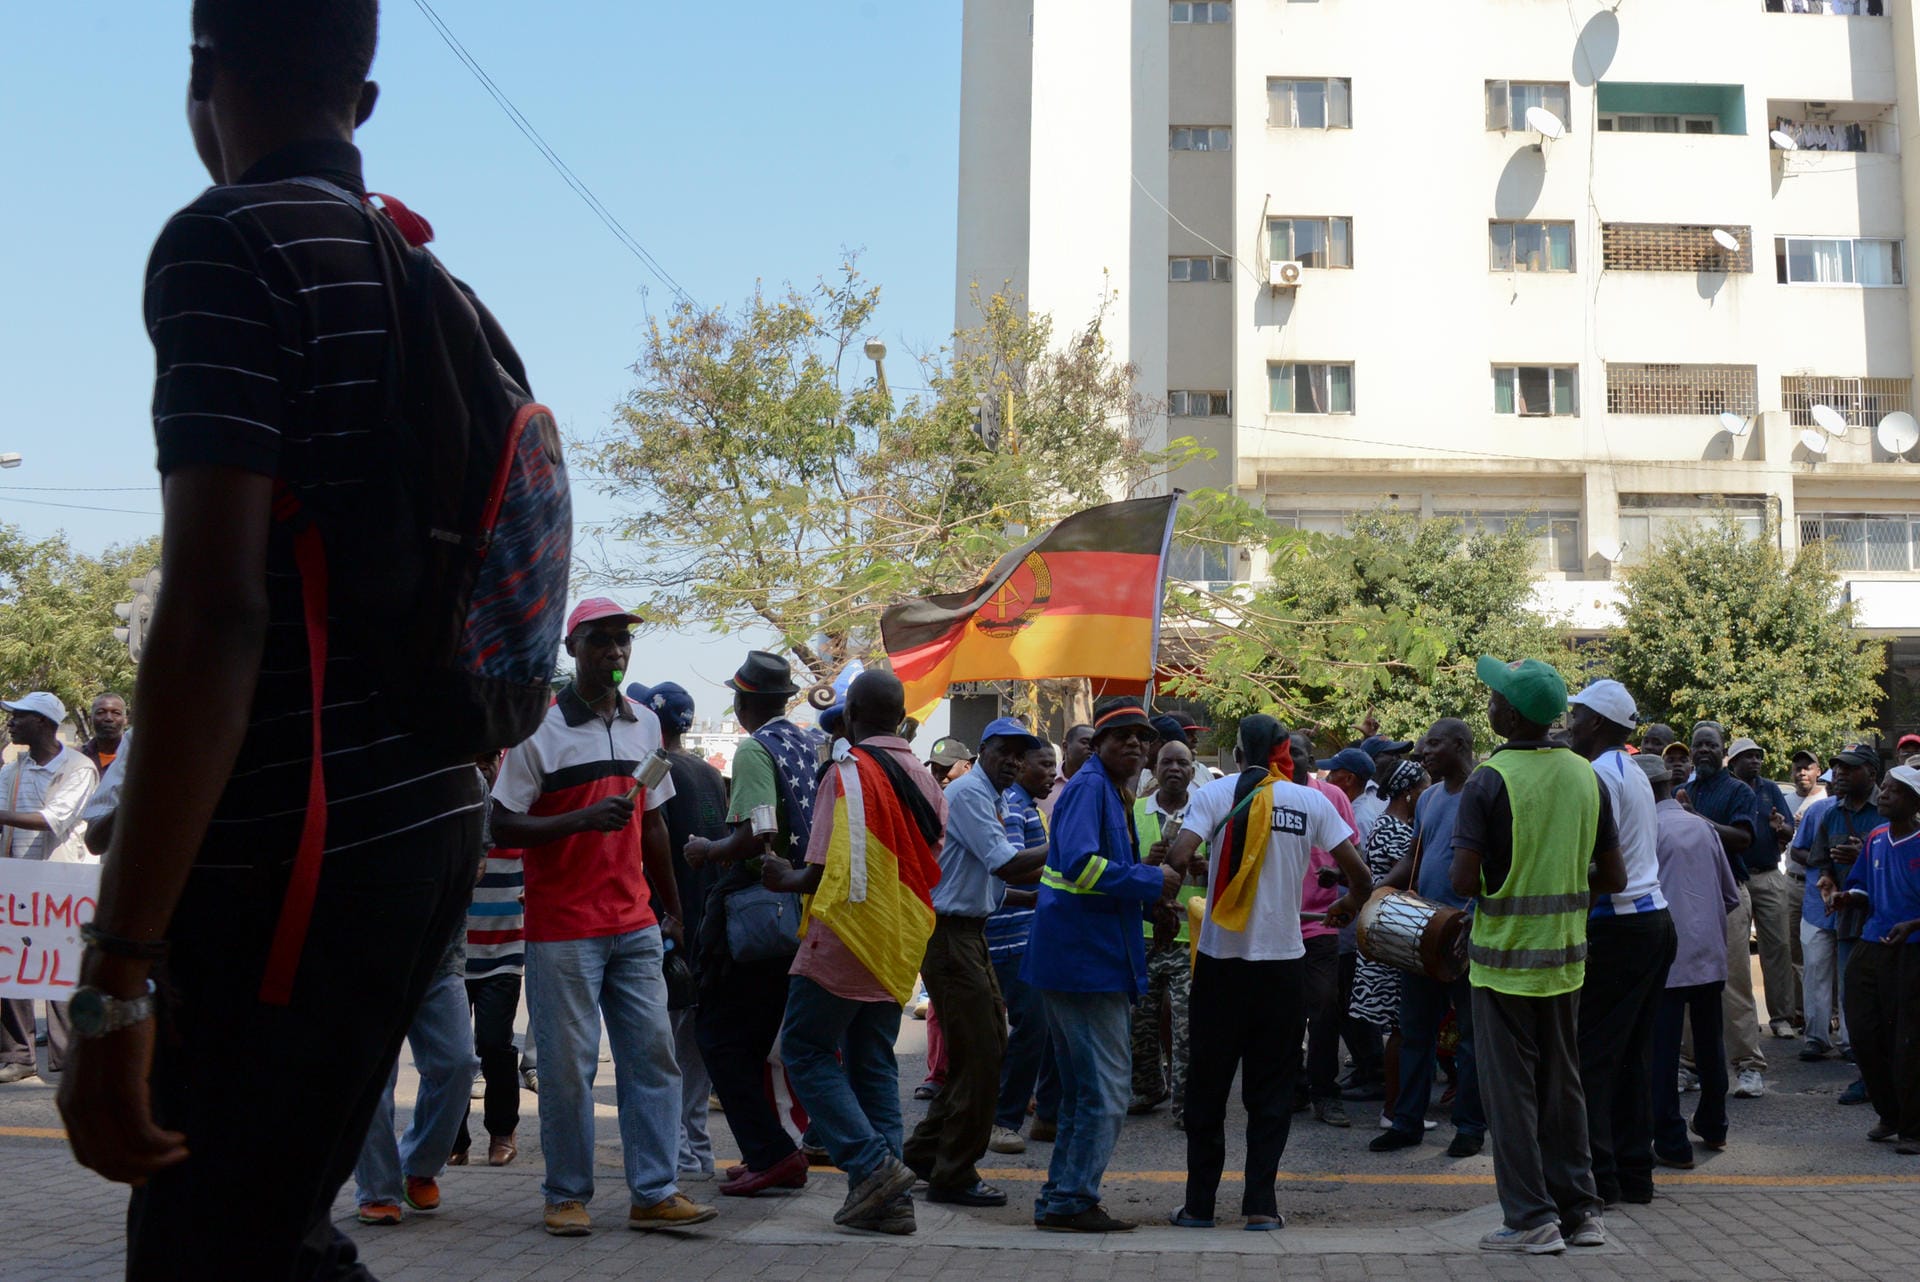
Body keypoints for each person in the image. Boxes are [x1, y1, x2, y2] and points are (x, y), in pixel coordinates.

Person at [58, 8, 519, 1275]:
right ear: (361, 102)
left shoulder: (230, 242)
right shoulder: (431, 278)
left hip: (298, 851)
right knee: (269, 1229)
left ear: (202, 77)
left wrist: (118, 977)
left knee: (211, 1240)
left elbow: (216, 607)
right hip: (426, 825)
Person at [493, 600, 711, 1236]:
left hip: (636, 923)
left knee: (653, 1060)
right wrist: (578, 820)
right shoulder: (540, 729)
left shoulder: (645, 722)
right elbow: (502, 820)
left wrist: (671, 910)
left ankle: (653, 1191)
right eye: (600, 641)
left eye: (622, 642)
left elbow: (654, 823)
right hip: (564, 929)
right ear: (573, 650)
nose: (615, 651)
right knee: (568, 1069)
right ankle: (565, 1194)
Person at [1163, 715, 1369, 1231]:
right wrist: (1343, 906)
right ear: (1282, 752)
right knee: (1271, 1090)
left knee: (1207, 1087)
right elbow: (1362, 879)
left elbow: (1180, 855)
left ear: (1235, 754)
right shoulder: (1311, 800)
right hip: (1283, 966)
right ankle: (1260, 1207)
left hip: (1219, 963)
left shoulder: (1215, 795)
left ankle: (1198, 1207)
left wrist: (1209, 870)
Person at [1452, 657, 1624, 1255]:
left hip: (1501, 965)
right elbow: (1615, 875)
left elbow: (1463, 880)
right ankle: (1582, 1213)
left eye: (1497, 697)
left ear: (1514, 714)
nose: (1490, 704)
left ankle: (1531, 1219)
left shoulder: (1488, 780)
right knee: (1563, 1089)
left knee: (1512, 1096)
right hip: (1566, 961)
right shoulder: (1587, 776)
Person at [773, 671, 949, 1234]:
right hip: (900, 937)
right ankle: (889, 1203)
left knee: (804, 1049)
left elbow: (824, 870)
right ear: (900, 719)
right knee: (872, 1060)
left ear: (850, 718)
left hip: (849, 931)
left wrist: (782, 874)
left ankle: (873, 1167)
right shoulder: (925, 776)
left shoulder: (848, 771)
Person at [1024, 698, 1181, 1232]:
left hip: (1083, 960)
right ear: (1099, 746)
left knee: (1084, 1094)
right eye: (1123, 736)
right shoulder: (1093, 789)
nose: (1135, 744)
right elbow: (1081, 867)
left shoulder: (1109, 790)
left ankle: (1062, 1196)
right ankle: (1070, 1200)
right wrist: (1149, 883)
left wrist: (1148, 892)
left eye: (1142, 736)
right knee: (1109, 1093)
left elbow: (1097, 871)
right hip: (1083, 964)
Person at [683, 651, 822, 1198]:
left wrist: (706, 849)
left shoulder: (753, 749)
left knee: (719, 1038)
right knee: (757, 1034)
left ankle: (772, 1154)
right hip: (801, 906)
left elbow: (754, 833)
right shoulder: (808, 744)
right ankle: (770, 1150)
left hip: (755, 906)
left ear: (742, 702)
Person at [902, 718, 1048, 1209]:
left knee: (981, 1052)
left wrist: (1042, 898)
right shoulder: (969, 793)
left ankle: (927, 1154)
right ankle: (954, 1173)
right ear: (984, 750)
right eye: (1005, 752)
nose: (1013, 761)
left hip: (968, 933)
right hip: (949, 937)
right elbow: (1004, 862)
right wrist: (1069, 844)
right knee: (982, 1054)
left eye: (1019, 755)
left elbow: (990, 881)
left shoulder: (993, 795)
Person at [354, 758, 494, 1224]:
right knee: (373, 1078)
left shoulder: (470, 781)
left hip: (440, 957)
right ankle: (378, 1189)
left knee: (457, 1065)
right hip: (370, 957)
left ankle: (419, 1164)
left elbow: (478, 862)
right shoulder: (369, 772)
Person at [1564, 680, 1676, 1207]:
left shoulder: (1597, 776)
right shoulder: (1630, 770)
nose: (1568, 724)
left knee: (1595, 1057)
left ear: (1598, 724)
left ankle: (1602, 1178)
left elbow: (1592, 863)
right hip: (1652, 921)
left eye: (1576, 715)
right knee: (1632, 1054)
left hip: (1620, 922)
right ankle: (1634, 1173)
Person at [1371, 718, 1488, 1158]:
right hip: (1424, 928)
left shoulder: (1484, 791)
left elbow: (1497, 862)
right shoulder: (1430, 798)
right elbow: (1413, 855)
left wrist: (1475, 916)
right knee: (1415, 1030)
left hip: (1466, 931)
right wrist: (1380, 888)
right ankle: (1407, 1122)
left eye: (1433, 744)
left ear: (1461, 745)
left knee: (1472, 1037)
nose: (1423, 752)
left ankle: (1470, 1127)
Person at [631, 680, 730, 1180]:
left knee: (660, 1054)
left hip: (666, 930)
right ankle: (697, 1152)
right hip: (708, 933)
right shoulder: (711, 776)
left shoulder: (652, 773)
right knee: (693, 1055)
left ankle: (675, 1155)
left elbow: (646, 848)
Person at [1640, 754, 1738, 1170]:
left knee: (1661, 1048)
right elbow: (1729, 895)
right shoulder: (1700, 826)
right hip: (1708, 950)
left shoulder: (1646, 831)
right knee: (1709, 1041)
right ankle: (1714, 1123)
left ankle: (1671, 1139)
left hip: (1665, 953)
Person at [0, 693, 100, 1084]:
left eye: (19, 717)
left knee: (56, 971)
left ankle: (65, 1060)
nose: (11, 722)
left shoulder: (77, 767)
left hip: (60, 884)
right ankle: (18, 1056)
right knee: (10, 968)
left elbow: (51, 819)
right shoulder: (15, 770)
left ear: (42, 723)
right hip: (16, 881)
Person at [1829, 764, 1920, 1153]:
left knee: (1908, 1042)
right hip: (1873, 941)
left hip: (1912, 947)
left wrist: (1913, 924)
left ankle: (1914, 1129)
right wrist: (1847, 897)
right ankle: (1889, 1113)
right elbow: (1862, 885)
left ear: (1914, 801)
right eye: (1883, 788)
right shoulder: (1876, 838)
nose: (1883, 795)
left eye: (1893, 790)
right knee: (1864, 1032)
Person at [449, 748, 529, 1170]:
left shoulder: (512, 820)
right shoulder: (455, 815)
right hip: (454, 958)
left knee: (494, 1044)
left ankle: (502, 1131)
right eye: (474, 759)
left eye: (487, 759)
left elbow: (541, 863)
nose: (482, 767)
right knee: (455, 1052)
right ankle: (454, 1138)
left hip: (503, 952)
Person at [1682, 722, 1769, 1099]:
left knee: (1733, 982)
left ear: (1724, 754)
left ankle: (1749, 1067)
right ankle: (1688, 1067)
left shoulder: (1737, 790)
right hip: (1687, 894)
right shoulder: (1683, 790)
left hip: (1728, 892)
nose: (1704, 751)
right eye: (1698, 745)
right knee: (1684, 981)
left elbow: (1743, 839)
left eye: (1711, 745)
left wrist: (1697, 821)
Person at [988, 741, 1060, 1153]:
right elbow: (1014, 865)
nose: (1051, 773)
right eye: (1044, 765)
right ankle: (1004, 1119)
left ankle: (1048, 1117)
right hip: (1010, 931)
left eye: (1053, 765)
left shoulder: (1027, 804)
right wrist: (1064, 854)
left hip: (1030, 931)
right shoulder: (1013, 804)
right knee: (1030, 1025)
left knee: (1046, 1024)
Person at [1348, 760, 1429, 1125]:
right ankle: (1394, 1110)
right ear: (1409, 792)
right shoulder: (1396, 830)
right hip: (1392, 936)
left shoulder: (1388, 824)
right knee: (1400, 1028)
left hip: (1384, 932)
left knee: (1400, 1027)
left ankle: (1397, 1107)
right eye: (1425, 787)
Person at [1129, 738, 1205, 1125]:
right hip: (1143, 933)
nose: (1174, 769)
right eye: (1167, 763)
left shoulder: (1205, 814)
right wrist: (1144, 864)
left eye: (1182, 763)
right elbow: (1120, 868)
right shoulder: (1136, 810)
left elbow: (1230, 875)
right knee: (1139, 1021)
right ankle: (1147, 1088)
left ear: (1193, 770)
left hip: (1189, 936)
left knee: (1187, 1025)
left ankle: (1186, 1103)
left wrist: (1205, 870)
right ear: (1154, 769)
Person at [1808, 744, 1883, 1106]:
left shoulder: (1893, 808)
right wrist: (1828, 883)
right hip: (1849, 922)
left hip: (1888, 923)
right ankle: (1866, 1077)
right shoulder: (1832, 815)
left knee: (1891, 1003)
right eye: (1837, 767)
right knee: (1856, 1003)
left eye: (1850, 768)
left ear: (1871, 772)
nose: (1839, 774)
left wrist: (1865, 856)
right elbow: (1821, 863)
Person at [1295, 735, 1362, 1127]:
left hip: (1322, 923)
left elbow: (1353, 855)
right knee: (1283, 1014)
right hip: (1278, 925)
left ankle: (1325, 1093)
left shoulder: (1333, 796)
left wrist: (1342, 888)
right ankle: (1291, 1090)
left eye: (1298, 753)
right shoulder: (1269, 795)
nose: (1290, 760)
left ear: (1311, 759)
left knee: (1323, 1009)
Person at [1729, 738, 1804, 1041]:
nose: (1755, 761)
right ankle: (1738, 1023)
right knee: (1736, 952)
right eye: (1747, 756)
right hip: (1736, 877)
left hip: (1769, 875)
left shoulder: (1770, 789)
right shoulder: (1728, 789)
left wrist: (1780, 827)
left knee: (1778, 948)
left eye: (1758, 756)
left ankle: (1781, 1018)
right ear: (1732, 762)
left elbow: (1789, 830)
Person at [1041, 723, 1095, 821]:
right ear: (1065, 746)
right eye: (1084, 742)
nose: (1090, 748)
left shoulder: (1100, 785)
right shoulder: (1043, 782)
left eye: (1094, 744)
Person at [78, 694, 128, 776]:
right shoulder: (77, 756)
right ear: (91, 719)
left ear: (125, 720)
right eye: (101, 712)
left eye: (116, 713)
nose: (109, 718)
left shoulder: (135, 758)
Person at [1788, 749, 1828, 818]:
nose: (1802, 773)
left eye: (1807, 769)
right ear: (1792, 773)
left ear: (1818, 772)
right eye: (1798, 769)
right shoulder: (1785, 802)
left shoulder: (1828, 798)